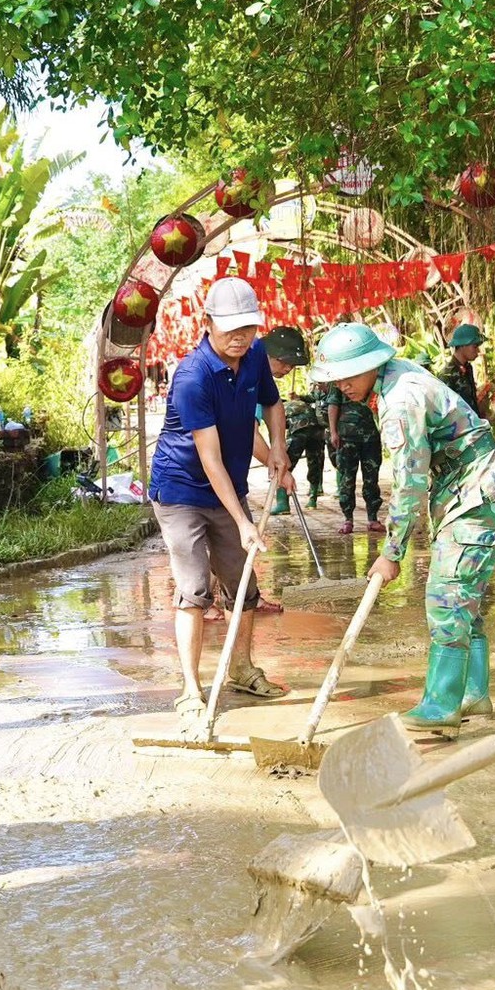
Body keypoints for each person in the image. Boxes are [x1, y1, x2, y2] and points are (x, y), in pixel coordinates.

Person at [311, 323, 495, 734]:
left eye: (349, 375)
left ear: (372, 364)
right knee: (464, 597)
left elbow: (408, 485)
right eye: (336, 378)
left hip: (477, 488)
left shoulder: (400, 402)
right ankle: (471, 694)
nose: (342, 385)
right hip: (468, 484)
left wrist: (392, 553)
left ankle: (442, 703)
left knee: (447, 596)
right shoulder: (395, 374)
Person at [147, 276, 291, 726]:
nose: (240, 337)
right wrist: (243, 522)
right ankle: (190, 687)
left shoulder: (255, 359)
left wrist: (278, 450)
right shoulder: (192, 376)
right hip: (181, 492)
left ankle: (242, 669)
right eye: (230, 328)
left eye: (248, 327)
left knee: (244, 585)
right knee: (194, 589)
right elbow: (210, 460)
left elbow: (271, 405)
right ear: (206, 323)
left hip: (228, 486)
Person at [265, 327, 322, 516]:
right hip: (307, 429)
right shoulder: (250, 374)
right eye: (285, 362)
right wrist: (275, 461)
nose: (289, 368)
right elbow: (250, 432)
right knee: (286, 466)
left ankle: (311, 495)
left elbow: (275, 408)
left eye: (293, 365)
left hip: (314, 430)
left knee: (312, 463)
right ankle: (283, 501)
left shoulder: (267, 383)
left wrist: (279, 447)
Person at [326, 377, 384, 535]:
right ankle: (347, 519)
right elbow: (333, 404)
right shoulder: (338, 379)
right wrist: (333, 432)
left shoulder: (370, 377)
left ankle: (373, 518)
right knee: (347, 478)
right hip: (347, 436)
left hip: (371, 435)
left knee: (372, 478)